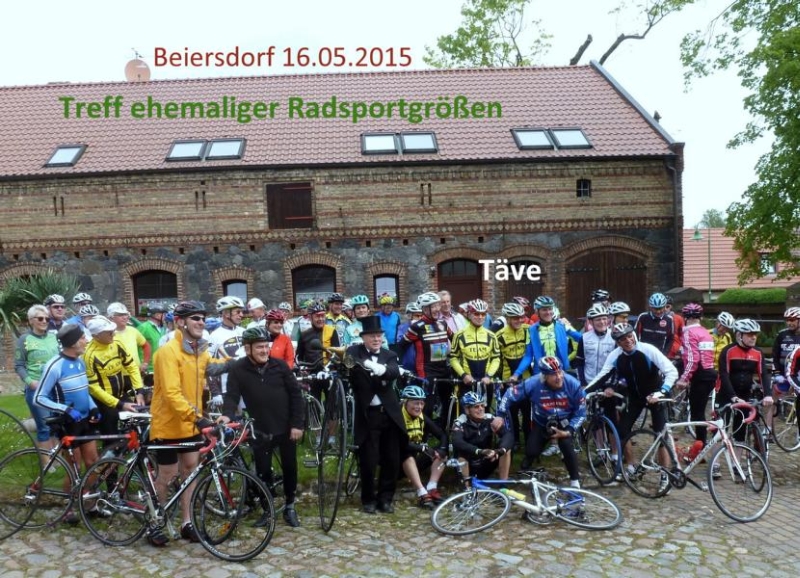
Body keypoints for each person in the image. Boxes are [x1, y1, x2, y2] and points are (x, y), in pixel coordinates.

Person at [149, 300, 231, 546]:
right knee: (167, 474)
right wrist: (198, 417)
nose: (201, 322)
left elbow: (213, 367)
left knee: (190, 472)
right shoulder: (168, 352)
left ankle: (187, 523)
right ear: (180, 322)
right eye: (196, 318)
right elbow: (172, 394)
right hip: (169, 424)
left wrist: (240, 360)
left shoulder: (197, 350)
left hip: (191, 423)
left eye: (203, 318)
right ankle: (155, 522)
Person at [219, 326, 305, 527]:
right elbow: (232, 395)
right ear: (247, 348)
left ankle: (290, 506)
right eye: (259, 347)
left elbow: (296, 395)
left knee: (290, 467)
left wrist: (297, 424)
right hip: (260, 428)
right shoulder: (238, 369)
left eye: (266, 346)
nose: (265, 350)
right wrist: (226, 415)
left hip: (285, 426)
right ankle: (268, 509)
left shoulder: (280, 366)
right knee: (263, 471)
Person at [586, 323, 678, 479]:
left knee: (660, 434)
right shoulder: (615, 356)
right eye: (623, 339)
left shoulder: (648, 349)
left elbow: (671, 371)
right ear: (618, 342)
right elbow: (602, 375)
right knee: (622, 431)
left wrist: (661, 392)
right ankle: (631, 466)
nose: (628, 341)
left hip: (655, 395)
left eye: (630, 336)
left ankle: (665, 474)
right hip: (635, 397)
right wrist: (584, 393)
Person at [34, 324, 101, 523]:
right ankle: (69, 508)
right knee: (74, 467)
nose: (86, 341)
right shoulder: (54, 366)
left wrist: (93, 407)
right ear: (72, 343)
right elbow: (39, 398)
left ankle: (89, 502)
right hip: (68, 423)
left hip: (85, 420)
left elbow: (83, 391)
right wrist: (66, 409)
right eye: (82, 338)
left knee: (93, 463)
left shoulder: (80, 362)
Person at [347, 315, 406, 514]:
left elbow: (393, 371)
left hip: (389, 413)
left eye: (379, 336)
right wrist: (366, 363)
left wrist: (379, 368)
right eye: (372, 336)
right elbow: (348, 364)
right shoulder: (354, 351)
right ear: (363, 337)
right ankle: (368, 499)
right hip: (368, 415)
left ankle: (385, 499)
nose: (376, 339)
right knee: (368, 460)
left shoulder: (389, 355)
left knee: (391, 459)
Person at [499, 357, 586, 486]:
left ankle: (575, 482)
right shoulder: (533, 383)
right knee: (532, 451)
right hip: (542, 422)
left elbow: (581, 413)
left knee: (566, 445)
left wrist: (569, 431)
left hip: (565, 422)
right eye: (553, 374)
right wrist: (500, 415)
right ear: (544, 376)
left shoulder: (573, 384)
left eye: (560, 372)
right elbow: (509, 394)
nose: (558, 377)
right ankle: (528, 461)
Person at [83, 315, 146, 452]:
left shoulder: (116, 343)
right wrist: (120, 404)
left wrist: (139, 391)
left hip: (121, 394)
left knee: (139, 424)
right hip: (104, 401)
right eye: (109, 332)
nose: (114, 334)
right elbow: (93, 388)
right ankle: (110, 463)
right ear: (96, 335)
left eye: (113, 330)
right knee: (111, 439)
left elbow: (131, 366)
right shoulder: (88, 355)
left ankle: (136, 458)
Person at [398, 292, 453, 427]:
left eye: (437, 305)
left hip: (443, 368)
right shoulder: (417, 327)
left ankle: (442, 428)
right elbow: (402, 345)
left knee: (447, 400)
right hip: (427, 371)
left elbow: (455, 339)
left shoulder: (443, 323)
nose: (437, 309)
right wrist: (401, 364)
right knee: (428, 403)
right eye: (433, 307)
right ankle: (425, 430)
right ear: (424, 309)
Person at [717, 319, 772, 443]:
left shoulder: (758, 353)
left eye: (755, 334)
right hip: (725, 393)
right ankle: (716, 456)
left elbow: (763, 374)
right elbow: (724, 375)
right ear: (739, 335)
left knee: (740, 431)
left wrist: (768, 394)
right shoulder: (728, 351)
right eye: (750, 334)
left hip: (745, 394)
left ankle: (738, 455)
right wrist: (733, 397)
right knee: (720, 430)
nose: (754, 337)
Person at [673, 303, 717, 457]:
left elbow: (693, 360)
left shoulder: (688, 333)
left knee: (697, 414)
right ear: (700, 317)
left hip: (700, 375)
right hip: (710, 373)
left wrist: (684, 379)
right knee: (700, 412)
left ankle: (700, 450)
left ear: (685, 318)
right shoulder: (705, 332)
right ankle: (701, 447)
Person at [15, 305, 60, 454]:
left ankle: (57, 460)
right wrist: (30, 382)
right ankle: (47, 463)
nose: (44, 321)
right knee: (44, 427)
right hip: (37, 389)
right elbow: (19, 365)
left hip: (56, 388)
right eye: (40, 318)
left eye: (47, 318)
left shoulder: (54, 337)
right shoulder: (24, 339)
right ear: (31, 320)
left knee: (57, 425)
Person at [510, 296, 581, 382]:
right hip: (541, 374)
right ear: (537, 312)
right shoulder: (531, 330)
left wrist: (571, 326)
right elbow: (528, 356)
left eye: (550, 309)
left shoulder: (562, 325)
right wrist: (516, 374)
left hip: (561, 372)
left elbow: (582, 339)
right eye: (544, 310)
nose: (548, 312)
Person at [398, 385, 448, 508]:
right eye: (415, 403)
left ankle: (431, 487)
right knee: (407, 455)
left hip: (414, 461)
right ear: (405, 402)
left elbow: (442, 435)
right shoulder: (397, 416)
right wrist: (422, 448)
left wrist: (442, 450)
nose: (419, 407)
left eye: (421, 403)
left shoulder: (422, 417)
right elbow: (399, 443)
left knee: (442, 454)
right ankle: (422, 493)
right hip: (396, 461)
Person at [449, 298, 500, 408]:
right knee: (466, 413)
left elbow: (496, 358)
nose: (480, 317)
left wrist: (489, 376)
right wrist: (463, 375)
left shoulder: (491, 336)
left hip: (486, 382)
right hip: (467, 382)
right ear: (469, 314)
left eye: (483, 314)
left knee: (485, 412)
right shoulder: (459, 335)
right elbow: (453, 358)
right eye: (476, 314)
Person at [451, 391, 513, 480]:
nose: (481, 409)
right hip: (468, 464)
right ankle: (467, 486)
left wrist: (500, 450)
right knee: (461, 454)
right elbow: (457, 442)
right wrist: (480, 451)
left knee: (506, 450)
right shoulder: (460, 422)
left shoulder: (490, 419)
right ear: (467, 410)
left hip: (486, 461)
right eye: (476, 407)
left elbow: (508, 435)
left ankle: (503, 483)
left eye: (482, 406)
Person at [494, 302, 531, 449]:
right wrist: (499, 380)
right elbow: (496, 359)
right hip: (508, 379)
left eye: (521, 317)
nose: (519, 320)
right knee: (512, 412)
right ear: (507, 318)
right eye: (515, 318)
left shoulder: (528, 330)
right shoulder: (499, 336)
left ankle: (529, 441)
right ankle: (514, 440)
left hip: (526, 378)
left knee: (528, 412)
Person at [207, 296, 246, 406]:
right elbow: (208, 365)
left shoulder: (244, 332)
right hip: (228, 388)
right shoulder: (215, 336)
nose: (241, 315)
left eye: (242, 312)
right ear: (226, 313)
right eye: (238, 312)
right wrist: (215, 392)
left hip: (247, 385)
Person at [107, 302, 151, 373]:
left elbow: (146, 345)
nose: (124, 317)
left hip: (136, 373)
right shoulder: (107, 334)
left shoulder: (133, 331)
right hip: (116, 375)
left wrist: (145, 363)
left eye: (125, 314)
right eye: (120, 315)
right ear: (111, 317)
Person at [634, 292, 679, 359]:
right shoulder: (643, 317)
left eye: (660, 308)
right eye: (655, 309)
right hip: (643, 353)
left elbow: (670, 339)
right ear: (650, 307)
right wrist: (637, 350)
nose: (658, 311)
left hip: (659, 354)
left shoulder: (669, 320)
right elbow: (635, 335)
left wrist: (664, 354)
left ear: (664, 306)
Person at [136, 304, 168, 376]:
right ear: (157, 315)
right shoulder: (143, 327)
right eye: (164, 314)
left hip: (161, 367)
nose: (165, 316)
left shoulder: (163, 328)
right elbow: (134, 345)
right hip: (148, 369)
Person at [397, 302, 423, 372]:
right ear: (409, 316)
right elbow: (400, 342)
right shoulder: (402, 327)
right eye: (417, 316)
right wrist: (412, 330)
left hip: (423, 366)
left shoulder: (424, 326)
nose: (420, 318)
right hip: (408, 365)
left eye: (421, 315)